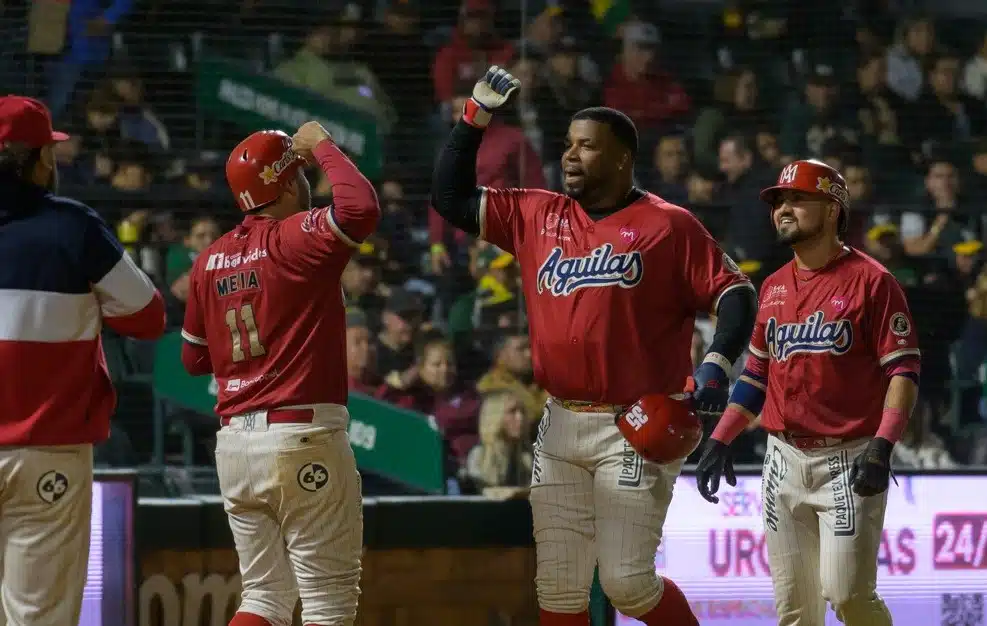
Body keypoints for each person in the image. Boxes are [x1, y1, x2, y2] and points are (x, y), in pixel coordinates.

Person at [430, 66, 758, 626]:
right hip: (559, 422)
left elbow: (737, 292)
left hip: (638, 418)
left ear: (622, 157)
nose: (571, 155)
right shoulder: (537, 213)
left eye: (587, 145)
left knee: (627, 582)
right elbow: (449, 196)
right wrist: (474, 117)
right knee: (558, 590)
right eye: (568, 145)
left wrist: (716, 363)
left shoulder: (668, 225)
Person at [695, 159, 921, 626]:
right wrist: (721, 436)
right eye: (779, 200)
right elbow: (756, 375)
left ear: (834, 208)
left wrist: (883, 444)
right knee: (795, 610)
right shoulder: (774, 287)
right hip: (783, 460)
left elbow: (903, 369)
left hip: (850, 457)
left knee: (847, 595)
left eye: (797, 198)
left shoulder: (873, 282)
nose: (783, 208)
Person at [179, 122, 379, 626]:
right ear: (288, 183)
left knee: (264, 596)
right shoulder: (296, 238)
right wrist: (325, 146)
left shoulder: (208, 259)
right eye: (300, 171)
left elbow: (194, 359)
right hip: (300, 435)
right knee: (328, 601)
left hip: (235, 449)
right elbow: (360, 209)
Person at [0, 96, 165, 624]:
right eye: (50, 150)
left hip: (47, 449)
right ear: (34, 158)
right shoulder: (74, 227)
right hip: (48, 451)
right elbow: (147, 316)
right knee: (40, 616)